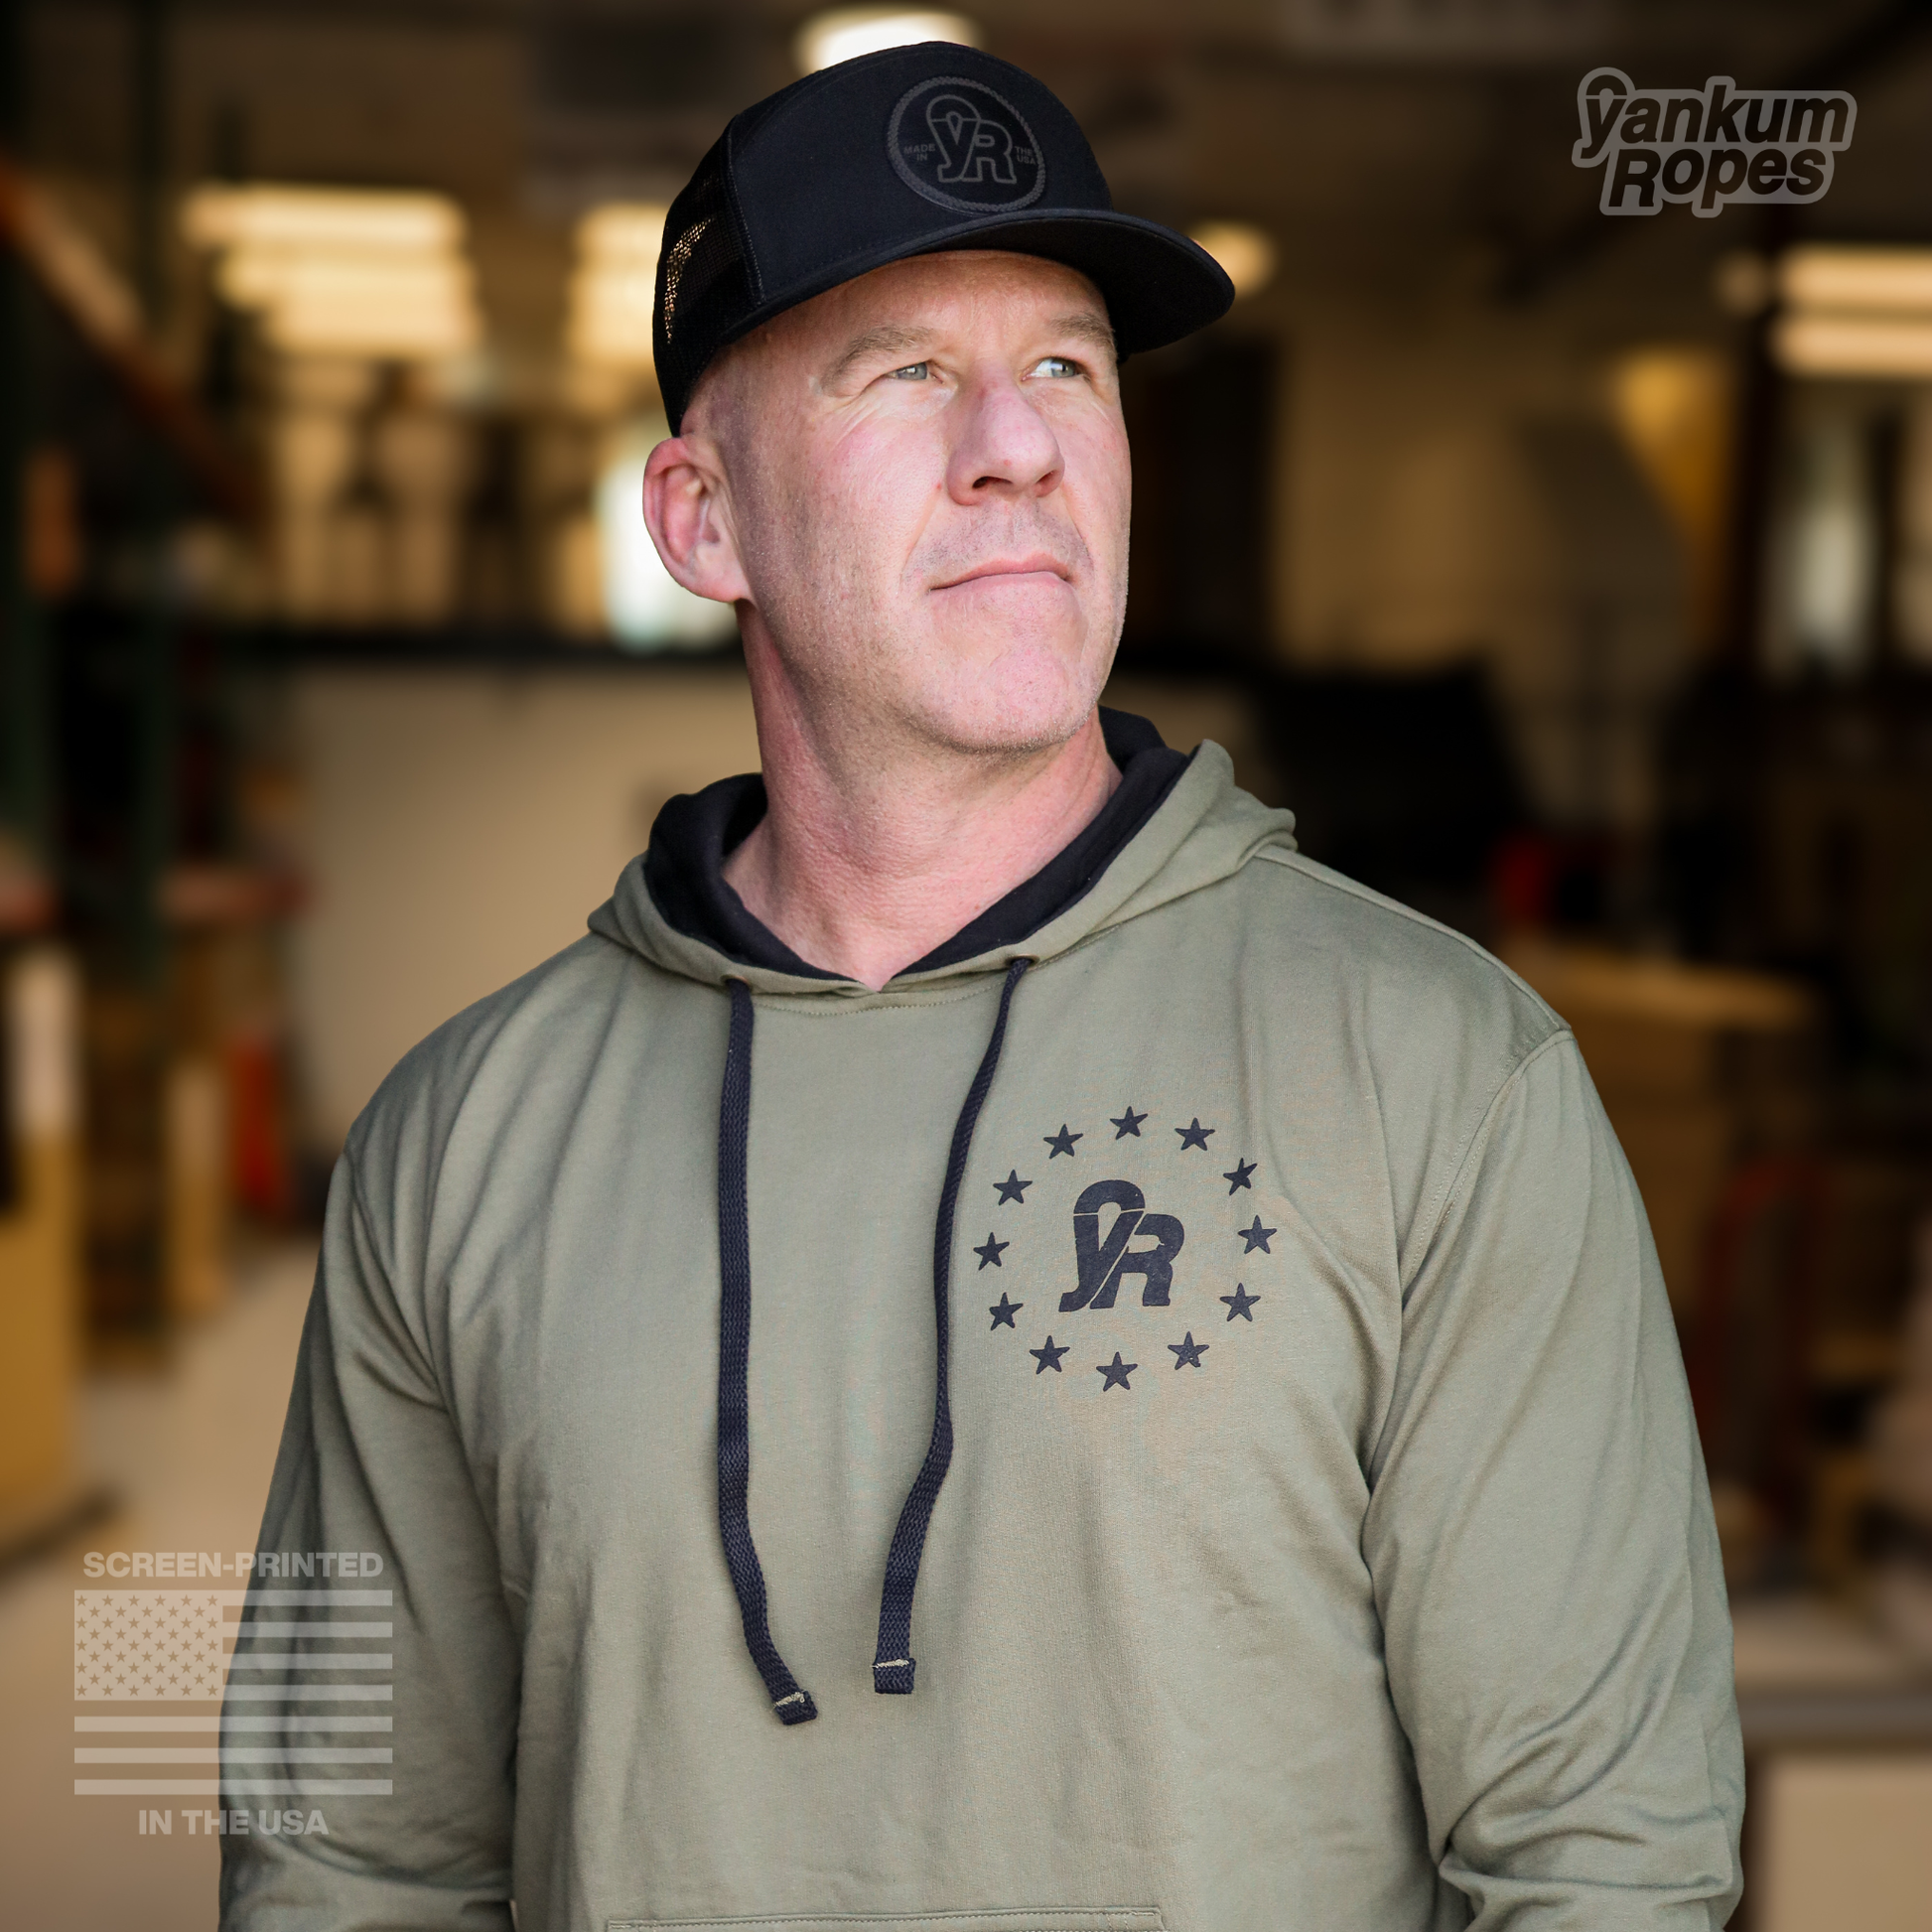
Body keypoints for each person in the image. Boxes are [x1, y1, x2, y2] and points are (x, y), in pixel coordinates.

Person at [221, 42, 1743, 1932]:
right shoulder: (454, 1145)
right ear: (701, 520)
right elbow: (342, 1860)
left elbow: (1607, 1859)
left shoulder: (1442, 1077)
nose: (1016, 443)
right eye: (907, 372)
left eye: (1066, 367)